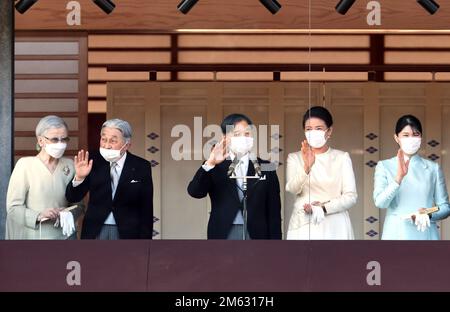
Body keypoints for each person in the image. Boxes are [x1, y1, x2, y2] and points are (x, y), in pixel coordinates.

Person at [187, 113, 282, 239]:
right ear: (225, 137)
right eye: (237, 134)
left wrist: (276, 244)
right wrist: (209, 163)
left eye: (247, 133)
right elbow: (195, 192)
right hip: (223, 231)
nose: (243, 137)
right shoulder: (215, 166)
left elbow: (274, 210)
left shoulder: (267, 166)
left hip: (257, 233)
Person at [65, 118, 153, 239]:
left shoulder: (141, 166)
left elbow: (146, 207)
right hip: (96, 228)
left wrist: (145, 243)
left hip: (128, 231)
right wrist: (79, 177)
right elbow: (73, 197)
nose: (107, 145)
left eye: (113, 141)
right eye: (104, 139)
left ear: (127, 145)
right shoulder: (92, 160)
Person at [373, 115, 450, 240]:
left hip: (425, 234)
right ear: (396, 138)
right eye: (406, 135)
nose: (411, 138)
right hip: (396, 234)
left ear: (421, 138)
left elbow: (445, 207)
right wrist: (398, 178)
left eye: (416, 134)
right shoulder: (384, 166)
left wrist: (428, 213)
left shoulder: (432, 168)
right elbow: (380, 202)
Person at [6, 115, 83, 239]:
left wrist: (67, 213)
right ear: (41, 141)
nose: (60, 144)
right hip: (34, 238)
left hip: (65, 237)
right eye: (55, 139)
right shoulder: (25, 165)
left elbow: (79, 205)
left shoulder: (71, 165)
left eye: (64, 139)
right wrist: (38, 215)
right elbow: (13, 208)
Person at [286, 106, 357, 240]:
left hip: (335, 225)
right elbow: (292, 189)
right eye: (308, 129)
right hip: (303, 224)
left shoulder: (342, 157)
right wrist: (306, 167)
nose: (313, 132)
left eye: (319, 128)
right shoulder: (294, 158)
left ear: (329, 131)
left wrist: (323, 208)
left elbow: (351, 196)